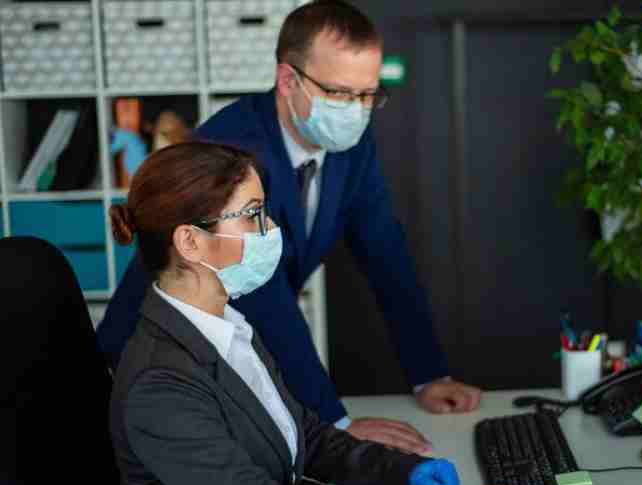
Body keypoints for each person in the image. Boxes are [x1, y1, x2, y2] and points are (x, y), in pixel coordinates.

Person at [107, 141, 555, 485]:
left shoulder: (225, 325)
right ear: (190, 242)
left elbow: (301, 434)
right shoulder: (160, 385)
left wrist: (400, 473)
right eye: (252, 215)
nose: (270, 230)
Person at [98, 0, 481, 454]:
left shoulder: (350, 143)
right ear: (287, 80)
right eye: (340, 93)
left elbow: (385, 251)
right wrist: (334, 421)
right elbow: (266, 297)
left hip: (232, 354)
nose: (357, 111)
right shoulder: (231, 150)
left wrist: (428, 374)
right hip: (160, 361)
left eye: (368, 95)